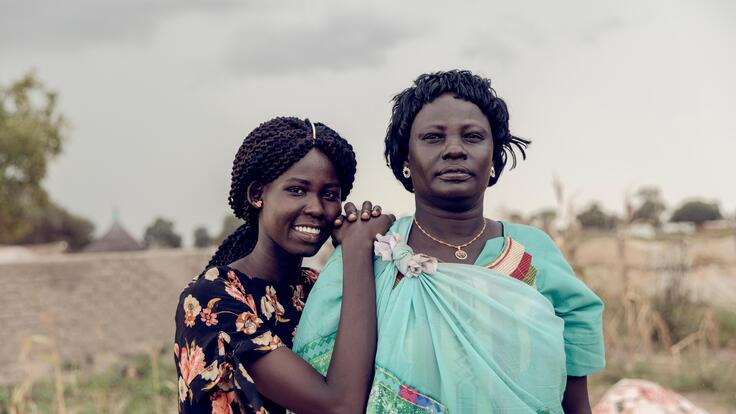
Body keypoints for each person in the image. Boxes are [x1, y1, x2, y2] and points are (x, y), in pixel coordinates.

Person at [294, 71, 605, 413]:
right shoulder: (370, 250)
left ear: (494, 157)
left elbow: (575, 394)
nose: (454, 149)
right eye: (432, 137)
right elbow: (327, 386)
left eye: (472, 136)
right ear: (405, 160)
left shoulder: (533, 253)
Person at [174, 117, 393, 414]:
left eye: (330, 195)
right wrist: (356, 252)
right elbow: (340, 406)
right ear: (257, 195)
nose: (316, 208)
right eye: (297, 190)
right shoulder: (213, 300)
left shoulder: (318, 290)